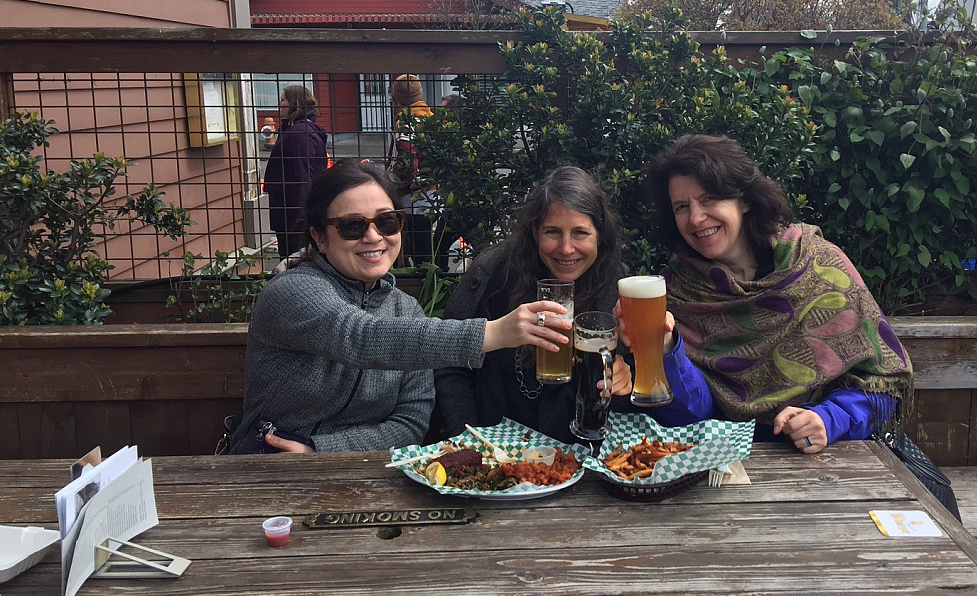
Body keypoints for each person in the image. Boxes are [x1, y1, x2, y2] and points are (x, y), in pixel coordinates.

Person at [232, 161, 573, 454]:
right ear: (319, 237)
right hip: (272, 471)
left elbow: (411, 421)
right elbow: (360, 337)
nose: (374, 237)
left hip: (362, 475)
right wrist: (495, 332)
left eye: (387, 221)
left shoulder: (406, 311)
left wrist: (319, 451)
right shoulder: (293, 291)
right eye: (352, 226)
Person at [637, 133, 914, 453]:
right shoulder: (675, 294)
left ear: (744, 200)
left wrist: (829, 418)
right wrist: (668, 348)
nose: (696, 218)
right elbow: (692, 415)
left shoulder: (818, 265)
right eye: (682, 207)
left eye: (710, 198)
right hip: (726, 470)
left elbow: (884, 382)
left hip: (829, 468)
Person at [434, 166, 650, 444]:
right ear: (535, 231)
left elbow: (629, 382)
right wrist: (465, 440)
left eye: (581, 233)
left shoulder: (617, 283)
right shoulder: (492, 274)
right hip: (496, 451)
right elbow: (450, 363)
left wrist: (624, 380)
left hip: (582, 457)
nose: (566, 248)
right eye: (553, 232)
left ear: (600, 234)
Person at [264, 85, 329, 260]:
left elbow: (302, 177)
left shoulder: (301, 134)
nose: (280, 103)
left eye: (283, 99)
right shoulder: (297, 131)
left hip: (293, 216)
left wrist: (300, 218)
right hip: (291, 212)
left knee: (294, 260)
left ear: (295, 103)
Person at [390, 74, 435, 264]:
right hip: (434, 189)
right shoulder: (432, 117)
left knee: (416, 244)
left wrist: (393, 184)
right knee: (429, 242)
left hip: (415, 195)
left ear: (396, 97)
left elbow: (407, 164)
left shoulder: (408, 122)